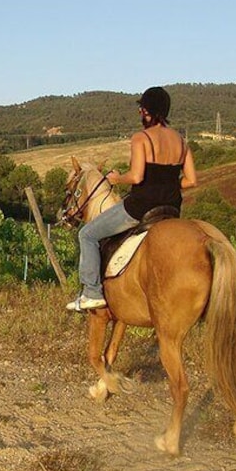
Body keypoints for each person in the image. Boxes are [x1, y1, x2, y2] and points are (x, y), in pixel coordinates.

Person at [67, 86, 197, 311]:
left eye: (141, 109)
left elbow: (136, 176)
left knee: (86, 234)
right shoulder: (181, 141)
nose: (140, 114)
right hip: (171, 209)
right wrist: (166, 185)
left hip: (140, 208)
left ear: (147, 112)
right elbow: (191, 180)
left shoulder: (141, 138)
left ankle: (91, 292)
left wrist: (117, 179)